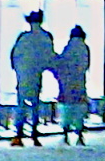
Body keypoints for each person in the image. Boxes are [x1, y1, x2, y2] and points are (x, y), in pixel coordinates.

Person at [7, 9, 59, 146]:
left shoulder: (23, 37)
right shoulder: (46, 37)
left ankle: (18, 135)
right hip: (36, 76)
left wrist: (18, 70)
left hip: (23, 76)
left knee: (21, 105)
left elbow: (14, 57)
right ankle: (34, 134)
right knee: (35, 104)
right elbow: (49, 58)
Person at [57, 25, 95, 142]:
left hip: (67, 84)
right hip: (80, 83)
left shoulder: (67, 48)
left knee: (67, 108)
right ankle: (79, 134)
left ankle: (65, 133)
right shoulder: (85, 48)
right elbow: (85, 65)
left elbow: (61, 64)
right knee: (79, 109)